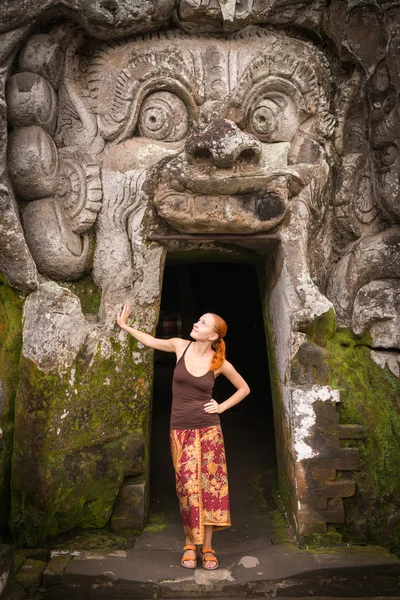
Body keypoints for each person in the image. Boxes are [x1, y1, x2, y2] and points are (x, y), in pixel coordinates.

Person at [116, 304, 250, 570]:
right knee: (188, 488)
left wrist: (221, 406)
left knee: (211, 489)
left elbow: (244, 388)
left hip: (209, 430)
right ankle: (190, 542)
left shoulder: (219, 362)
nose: (196, 324)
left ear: (213, 336)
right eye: (198, 320)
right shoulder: (180, 346)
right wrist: (125, 326)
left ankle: (208, 547)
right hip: (180, 429)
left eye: (203, 323)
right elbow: (151, 341)